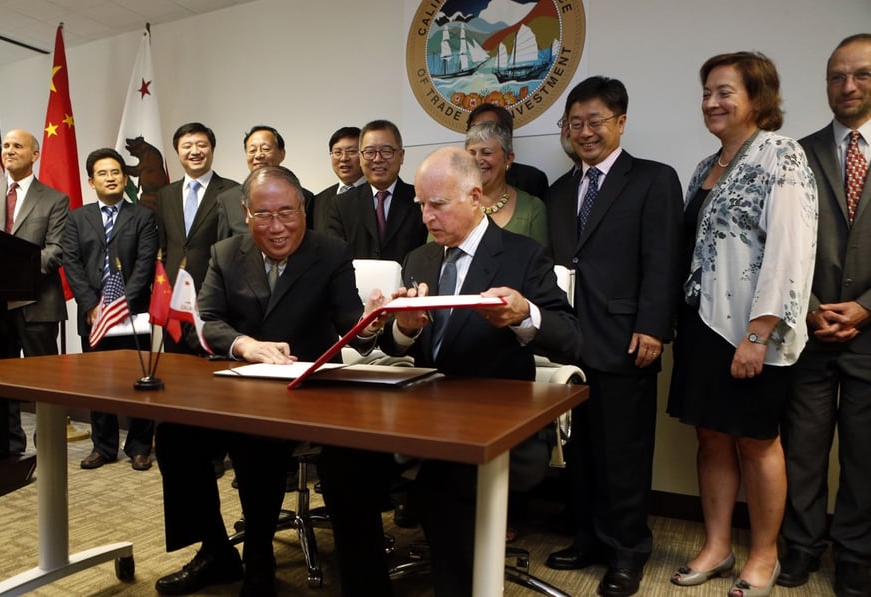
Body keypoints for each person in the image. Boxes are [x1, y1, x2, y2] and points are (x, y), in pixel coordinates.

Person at [318, 147, 581, 597]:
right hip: (422, 413)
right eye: (420, 204)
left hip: (492, 419)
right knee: (341, 463)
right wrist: (401, 329)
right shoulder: (421, 259)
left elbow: (571, 336)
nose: (426, 217)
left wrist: (523, 316)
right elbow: (391, 346)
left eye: (437, 204)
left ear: (475, 196)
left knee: (444, 490)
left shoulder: (523, 257)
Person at [153, 165, 380, 597]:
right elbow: (209, 321)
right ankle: (216, 551)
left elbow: (351, 320)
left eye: (286, 213)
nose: (277, 227)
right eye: (264, 215)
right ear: (246, 213)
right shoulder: (224, 253)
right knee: (175, 438)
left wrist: (370, 324)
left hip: (303, 393)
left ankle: (259, 559)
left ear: (304, 210)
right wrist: (245, 345)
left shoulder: (331, 253)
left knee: (255, 446)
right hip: (238, 385)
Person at [666, 52, 817, 597]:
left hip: (753, 330)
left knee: (756, 440)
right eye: (707, 91)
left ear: (758, 97)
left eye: (725, 91)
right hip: (702, 323)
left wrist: (758, 333)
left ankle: (764, 555)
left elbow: (790, 253)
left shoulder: (783, 155)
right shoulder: (704, 166)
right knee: (711, 437)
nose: (712, 102)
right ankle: (718, 546)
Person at [546, 76, 683, 597]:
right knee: (579, 452)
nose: (584, 132)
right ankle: (587, 539)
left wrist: (653, 327)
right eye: (574, 123)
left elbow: (664, 260)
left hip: (629, 340)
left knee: (623, 455)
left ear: (620, 122)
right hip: (570, 344)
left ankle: (627, 553)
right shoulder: (560, 191)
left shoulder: (652, 179)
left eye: (595, 122)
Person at [780, 34, 871, 597]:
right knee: (803, 450)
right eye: (837, 76)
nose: (847, 86)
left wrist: (864, 308)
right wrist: (811, 308)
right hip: (808, 331)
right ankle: (801, 547)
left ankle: (856, 556)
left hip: (870, 334)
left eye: (860, 74)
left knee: (864, 455)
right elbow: (782, 242)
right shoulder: (798, 151)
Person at [0, 129, 69, 454]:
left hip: (37, 302)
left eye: (17, 146)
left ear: (34, 155)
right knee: (3, 376)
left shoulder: (55, 199)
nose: (9, 150)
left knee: (45, 378)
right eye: (6, 146)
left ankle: (51, 441)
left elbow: (55, 251)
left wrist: (10, 269)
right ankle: (11, 444)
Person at [61, 148, 158, 471]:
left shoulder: (142, 216)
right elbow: (71, 262)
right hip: (92, 314)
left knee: (139, 381)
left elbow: (145, 264)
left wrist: (120, 305)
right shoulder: (76, 217)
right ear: (92, 181)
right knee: (98, 383)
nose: (111, 177)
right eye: (103, 173)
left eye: (116, 172)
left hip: (133, 311)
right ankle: (103, 446)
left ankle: (140, 446)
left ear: (124, 176)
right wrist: (89, 304)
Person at [154, 122, 238, 355]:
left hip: (213, 292)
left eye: (202, 145)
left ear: (212, 149)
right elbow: (164, 246)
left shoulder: (232, 191)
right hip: (173, 293)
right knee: (173, 362)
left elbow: (235, 245)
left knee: (210, 359)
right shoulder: (165, 194)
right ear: (178, 152)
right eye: (187, 146)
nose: (195, 151)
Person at [326, 119, 427, 263]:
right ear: (360, 158)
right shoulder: (341, 205)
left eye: (386, 151)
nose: (378, 159)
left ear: (401, 156)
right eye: (370, 152)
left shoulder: (420, 200)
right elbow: (335, 258)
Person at [214, 125, 315, 239]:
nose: (258, 155)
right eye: (252, 151)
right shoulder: (228, 200)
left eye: (266, 149)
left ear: (281, 154)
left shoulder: (303, 196)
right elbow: (224, 249)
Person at [466, 120, 548, 245]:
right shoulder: (451, 205)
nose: (477, 160)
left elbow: (541, 263)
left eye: (486, 153)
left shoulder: (531, 209)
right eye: (471, 153)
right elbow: (435, 259)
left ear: (508, 158)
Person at [467, 102, 549, 202]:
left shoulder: (532, 180)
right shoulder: (456, 182)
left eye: (491, 128)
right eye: (476, 129)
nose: (481, 133)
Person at [311, 126, 365, 233]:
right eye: (337, 152)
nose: (344, 158)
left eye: (351, 151)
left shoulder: (377, 196)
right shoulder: (318, 201)